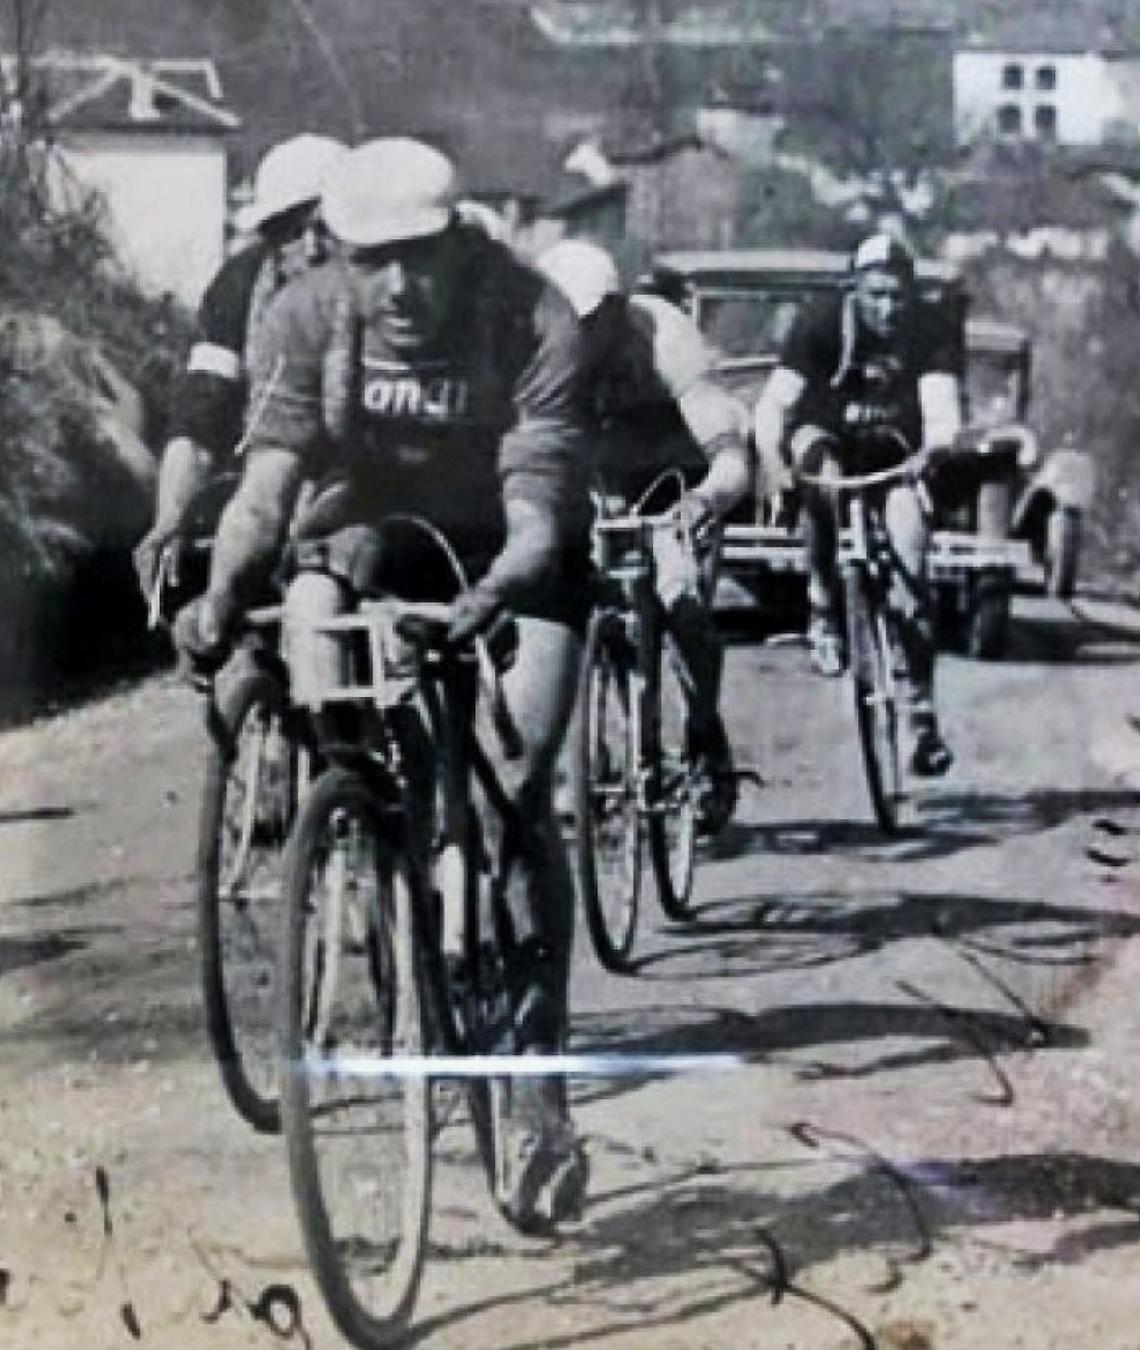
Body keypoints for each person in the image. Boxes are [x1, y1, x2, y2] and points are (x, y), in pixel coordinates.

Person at [173, 137, 592, 1229]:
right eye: (374, 260)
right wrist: (220, 597)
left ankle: (538, 1078)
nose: (400, 286)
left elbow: (543, 510)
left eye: (420, 257)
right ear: (340, 258)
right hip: (377, 525)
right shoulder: (306, 311)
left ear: (458, 244)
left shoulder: (528, 312)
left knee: (516, 790)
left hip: (518, 545)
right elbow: (266, 489)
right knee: (312, 612)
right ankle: (362, 847)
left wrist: (502, 585)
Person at [535, 239, 751, 833]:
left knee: (681, 601)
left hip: (676, 479)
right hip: (599, 483)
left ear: (619, 309)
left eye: (596, 322)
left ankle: (705, 730)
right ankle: (579, 758)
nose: (583, 335)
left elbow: (729, 459)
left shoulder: (665, 338)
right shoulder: (532, 348)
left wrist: (704, 500)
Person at [752, 231, 959, 776]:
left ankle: (921, 715)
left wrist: (935, 448)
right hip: (826, 441)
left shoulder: (933, 328)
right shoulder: (820, 323)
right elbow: (774, 407)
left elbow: (942, 411)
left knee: (913, 574)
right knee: (819, 475)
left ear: (911, 294)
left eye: (898, 295)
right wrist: (774, 468)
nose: (888, 308)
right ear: (854, 290)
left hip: (894, 455)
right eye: (876, 295)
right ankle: (822, 601)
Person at [133, 134, 348, 603]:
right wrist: (171, 514)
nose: (310, 249)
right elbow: (200, 411)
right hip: (265, 476)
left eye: (326, 229)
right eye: (288, 232)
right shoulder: (240, 285)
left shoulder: (388, 285)